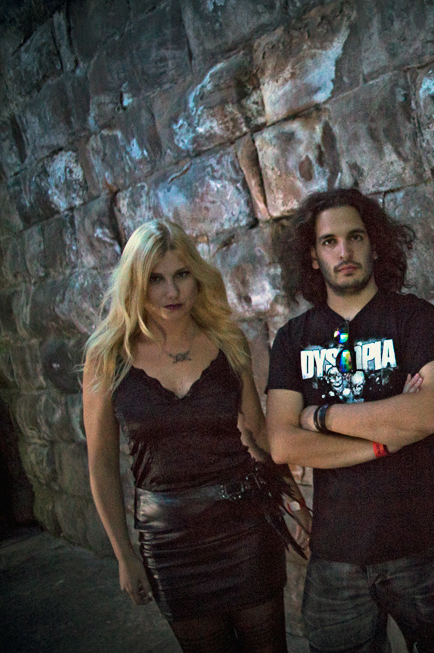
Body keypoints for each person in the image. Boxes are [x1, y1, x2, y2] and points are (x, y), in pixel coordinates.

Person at [82, 219, 310, 653]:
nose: (172, 292)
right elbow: (101, 467)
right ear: (135, 283)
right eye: (156, 279)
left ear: (197, 276)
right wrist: (124, 555)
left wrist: (297, 507)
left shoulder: (226, 341)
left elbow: (259, 436)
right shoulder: (108, 357)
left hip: (245, 529)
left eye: (182, 275)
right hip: (170, 543)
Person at [265, 188, 434, 653]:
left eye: (355, 237)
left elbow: (427, 413)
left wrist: (321, 416)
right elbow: (283, 444)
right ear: (312, 256)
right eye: (329, 241)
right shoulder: (293, 339)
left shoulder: (415, 317)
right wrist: (384, 440)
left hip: (423, 540)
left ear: (374, 244)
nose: (344, 251)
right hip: (338, 550)